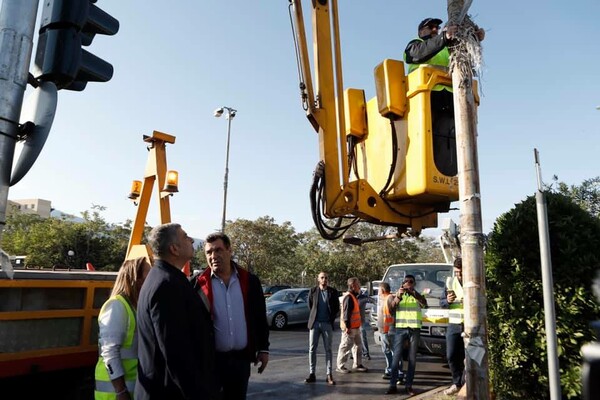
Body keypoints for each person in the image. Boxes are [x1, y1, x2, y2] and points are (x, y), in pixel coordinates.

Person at [135, 223, 217, 400]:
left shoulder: (163, 278)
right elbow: (175, 351)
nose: (191, 240)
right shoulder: (167, 285)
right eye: (185, 236)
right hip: (170, 392)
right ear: (174, 249)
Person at [196, 232, 270, 400]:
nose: (213, 256)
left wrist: (263, 348)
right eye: (209, 252)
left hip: (241, 362)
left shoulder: (250, 281)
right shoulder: (198, 284)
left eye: (218, 250)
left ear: (229, 250)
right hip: (211, 363)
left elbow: (259, 317)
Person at [95, 257, 151, 399]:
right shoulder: (116, 306)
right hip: (114, 394)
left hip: (131, 390)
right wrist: (120, 391)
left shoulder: (135, 307)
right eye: (148, 274)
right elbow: (110, 352)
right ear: (136, 278)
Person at [386, 275, 427, 396]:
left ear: (414, 284)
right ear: (402, 283)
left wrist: (414, 293)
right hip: (401, 329)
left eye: (411, 282)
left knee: (412, 359)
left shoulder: (417, 295)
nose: (408, 284)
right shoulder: (398, 295)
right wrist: (399, 296)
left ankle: (409, 385)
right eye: (406, 282)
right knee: (396, 358)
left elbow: (424, 303)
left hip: (414, 330)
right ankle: (392, 385)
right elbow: (391, 310)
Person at [305, 271, 340, 385]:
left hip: (327, 324)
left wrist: (331, 319)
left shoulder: (333, 292)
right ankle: (312, 373)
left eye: (326, 278)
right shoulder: (313, 291)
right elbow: (310, 305)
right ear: (318, 279)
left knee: (328, 350)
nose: (324, 279)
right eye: (322, 278)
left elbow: (335, 308)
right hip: (314, 324)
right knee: (312, 349)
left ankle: (329, 374)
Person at [440, 257, 465, 396]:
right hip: (454, 325)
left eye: (461, 272)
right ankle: (457, 383)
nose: (458, 275)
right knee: (451, 356)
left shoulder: (472, 281)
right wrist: (447, 301)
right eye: (456, 272)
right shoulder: (451, 282)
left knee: (469, 357)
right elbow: (441, 303)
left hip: (469, 325)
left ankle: (463, 384)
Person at [336, 277, 368, 374]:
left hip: (356, 327)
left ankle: (357, 364)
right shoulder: (349, 297)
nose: (360, 287)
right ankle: (340, 366)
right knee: (345, 346)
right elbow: (346, 314)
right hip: (350, 328)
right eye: (358, 284)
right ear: (353, 286)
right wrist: (348, 327)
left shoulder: (353, 297)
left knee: (357, 346)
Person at [357, 288, 376, 360]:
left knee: (362, 336)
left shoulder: (363, 297)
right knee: (352, 338)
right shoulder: (352, 296)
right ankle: (354, 353)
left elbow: (371, 300)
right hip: (353, 322)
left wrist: (376, 303)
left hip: (361, 322)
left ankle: (366, 353)